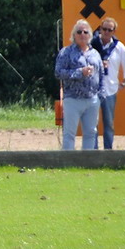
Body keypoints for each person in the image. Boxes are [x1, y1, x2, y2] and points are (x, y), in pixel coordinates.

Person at [54, 19, 103, 150]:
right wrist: (79, 72)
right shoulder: (66, 52)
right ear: (73, 35)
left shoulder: (95, 54)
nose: (82, 34)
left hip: (92, 99)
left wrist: (100, 96)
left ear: (90, 35)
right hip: (73, 99)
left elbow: (101, 75)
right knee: (69, 133)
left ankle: (87, 163)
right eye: (79, 32)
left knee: (90, 133)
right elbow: (58, 73)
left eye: (85, 32)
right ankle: (68, 163)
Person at [89, 17, 125, 149]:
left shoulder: (118, 47)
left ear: (114, 31)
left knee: (108, 123)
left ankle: (108, 150)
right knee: (93, 123)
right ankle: (94, 150)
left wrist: (123, 84)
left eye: (110, 30)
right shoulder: (92, 44)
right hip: (93, 89)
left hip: (110, 90)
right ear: (100, 29)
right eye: (104, 29)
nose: (107, 32)